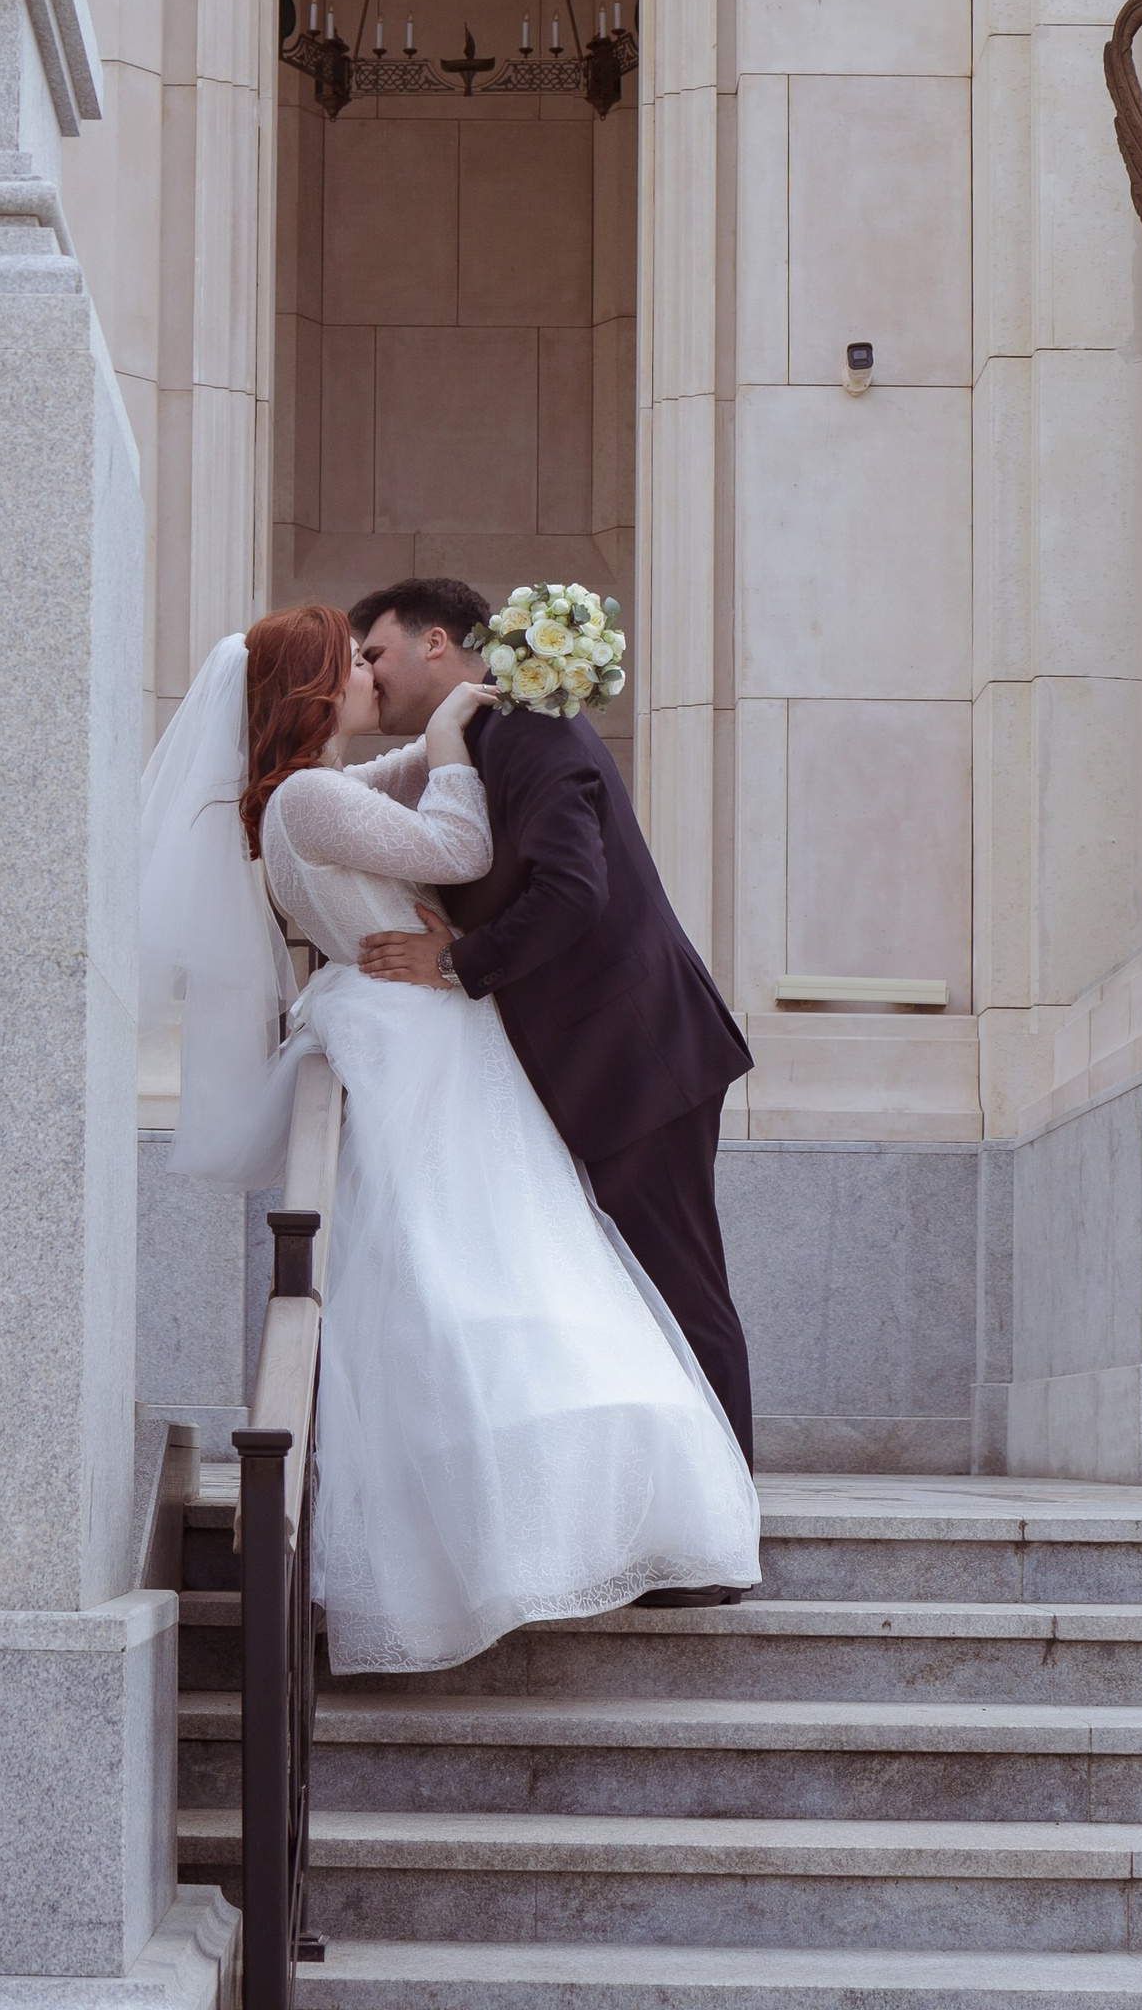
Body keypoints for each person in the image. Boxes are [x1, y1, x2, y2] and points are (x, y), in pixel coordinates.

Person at [137, 605, 759, 1672]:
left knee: (489, 1267)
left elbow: (388, 801)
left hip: (426, 1039)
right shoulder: (310, 798)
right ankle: (604, 1518)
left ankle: (578, 1516)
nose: (372, 674)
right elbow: (459, 843)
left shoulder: (307, 796)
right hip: (420, 1040)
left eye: (378, 652)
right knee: (488, 1268)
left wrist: (438, 744)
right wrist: (442, 748)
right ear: (318, 690)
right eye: (353, 662)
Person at [348, 576, 760, 1470]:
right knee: (637, 1295)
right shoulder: (467, 745)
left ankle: (728, 1537)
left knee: (679, 1291)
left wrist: (455, 963)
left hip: (641, 1059)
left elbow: (575, 889)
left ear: (437, 644)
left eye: (374, 652)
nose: (367, 675)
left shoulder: (530, 729)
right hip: (592, 1066)